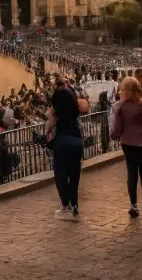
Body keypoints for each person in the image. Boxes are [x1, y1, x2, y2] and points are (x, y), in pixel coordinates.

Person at [110, 77, 142, 219]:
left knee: (131, 174)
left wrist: (114, 135)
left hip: (127, 143)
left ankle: (133, 205)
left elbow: (117, 129)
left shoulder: (121, 107)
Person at [47, 78, 84, 219]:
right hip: (77, 141)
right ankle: (74, 205)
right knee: (75, 175)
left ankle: (66, 206)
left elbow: (50, 124)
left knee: (61, 174)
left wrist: (46, 134)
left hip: (62, 142)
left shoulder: (57, 114)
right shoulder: (74, 113)